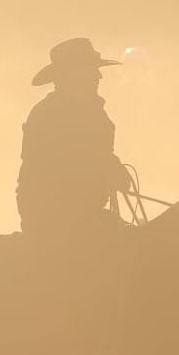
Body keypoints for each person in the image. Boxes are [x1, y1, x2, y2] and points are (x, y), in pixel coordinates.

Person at [16, 37, 131, 250]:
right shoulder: (47, 115)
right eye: (91, 69)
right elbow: (49, 169)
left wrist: (114, 168)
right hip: (50, 216)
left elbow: (101, 155)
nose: (99, 75)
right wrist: (102, 173)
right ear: (70, 74)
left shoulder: (96, 113)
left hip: (86, 214)